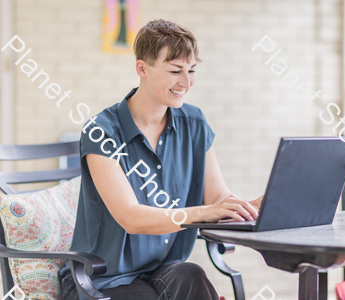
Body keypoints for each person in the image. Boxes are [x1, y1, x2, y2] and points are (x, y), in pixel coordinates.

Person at [59, 19, 263, 300]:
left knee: (192, 274)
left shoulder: (195, 123)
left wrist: (250, 207)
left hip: (161, 270)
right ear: (142, 68)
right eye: (175, 71)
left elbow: (217, 196)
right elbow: (131, 218)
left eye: (191, 70)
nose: (187, 82)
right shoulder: (102, 132)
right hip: (101, 279)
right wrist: (203, 212)